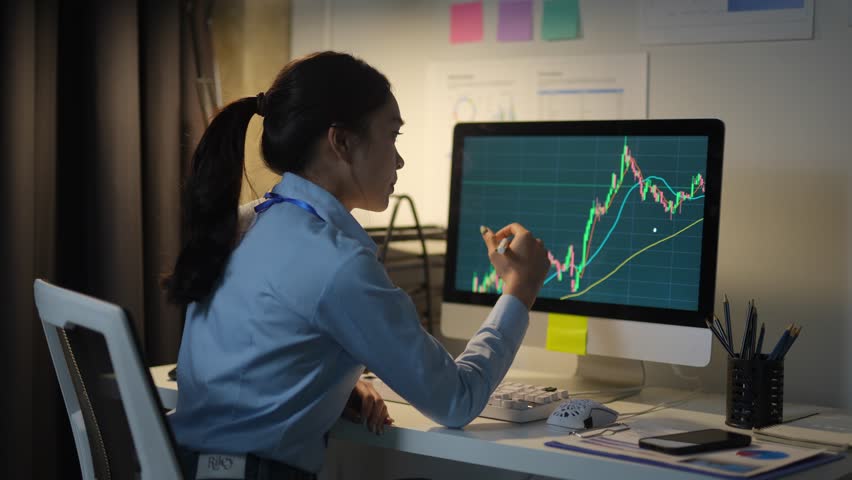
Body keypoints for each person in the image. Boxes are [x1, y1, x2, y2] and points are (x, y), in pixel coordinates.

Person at [163, 51, 550, 479]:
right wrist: (519, 290)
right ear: (342, 142)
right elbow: (457, 401)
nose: (399, 160)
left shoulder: (248, 222)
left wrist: (332, 384)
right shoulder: (337, 262)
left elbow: (257, 359)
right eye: (392, 135)